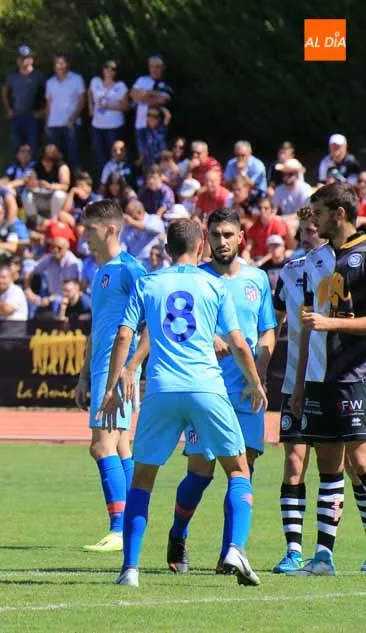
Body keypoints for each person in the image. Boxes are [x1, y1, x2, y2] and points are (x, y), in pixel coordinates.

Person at [99, 217, 266, 588]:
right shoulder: (214, 284)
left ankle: (130, 569)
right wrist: (256, 383)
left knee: (143, 479)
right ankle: (235, 548)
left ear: (166, 248)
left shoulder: (148, 283)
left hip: (161, 389)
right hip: (206, 387)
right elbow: (239, 343)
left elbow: (125, 336)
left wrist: (113, 388)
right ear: (201, 244)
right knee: (238, 470)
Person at [164, 208, 276, 574]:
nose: (222, 241)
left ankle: (231, 553)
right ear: (206, 239)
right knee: (200, 473)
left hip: (246, 394)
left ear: (241, 237)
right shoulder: (196, 278)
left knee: (243, 471)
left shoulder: (257, 279)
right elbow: (179, 325)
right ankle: (178, 534)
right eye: (216, 235)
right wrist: (208, 338)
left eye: (228, 234)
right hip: (206, 390)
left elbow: (267, 330)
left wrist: (258, 370)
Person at [289, 182, 366, 576]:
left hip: (357, 375)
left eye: (319, 213)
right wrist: (300, 381)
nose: (313, 220)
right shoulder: (317, 260)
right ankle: (323, 557)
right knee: (328, 465)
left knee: (361, 461)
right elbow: (308, 325)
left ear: (339, 214)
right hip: (321, 377)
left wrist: (330, 323)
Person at [75, 200, 148, 553]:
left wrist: (130, 367)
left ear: (111, 229)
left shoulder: (131, 269)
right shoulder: (100, 272)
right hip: (102, 368)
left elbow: (151, 322)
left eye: (90, 229)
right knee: (120, 446)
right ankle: (133, 521)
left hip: (117, 370)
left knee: (101, 446)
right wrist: (83, 375)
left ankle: (119, 529)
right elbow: (96, 327)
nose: (84, 236)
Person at [270, 206, 327, 573]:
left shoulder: (338, 267)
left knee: (354, 466)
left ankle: (327, 551)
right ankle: (293, 551)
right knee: (293, 462)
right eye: (303, 231)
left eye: (313, 230)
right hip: (294, 381)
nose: (307, 237)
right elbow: (274, 322)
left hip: (331, 381)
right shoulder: (289, 272)